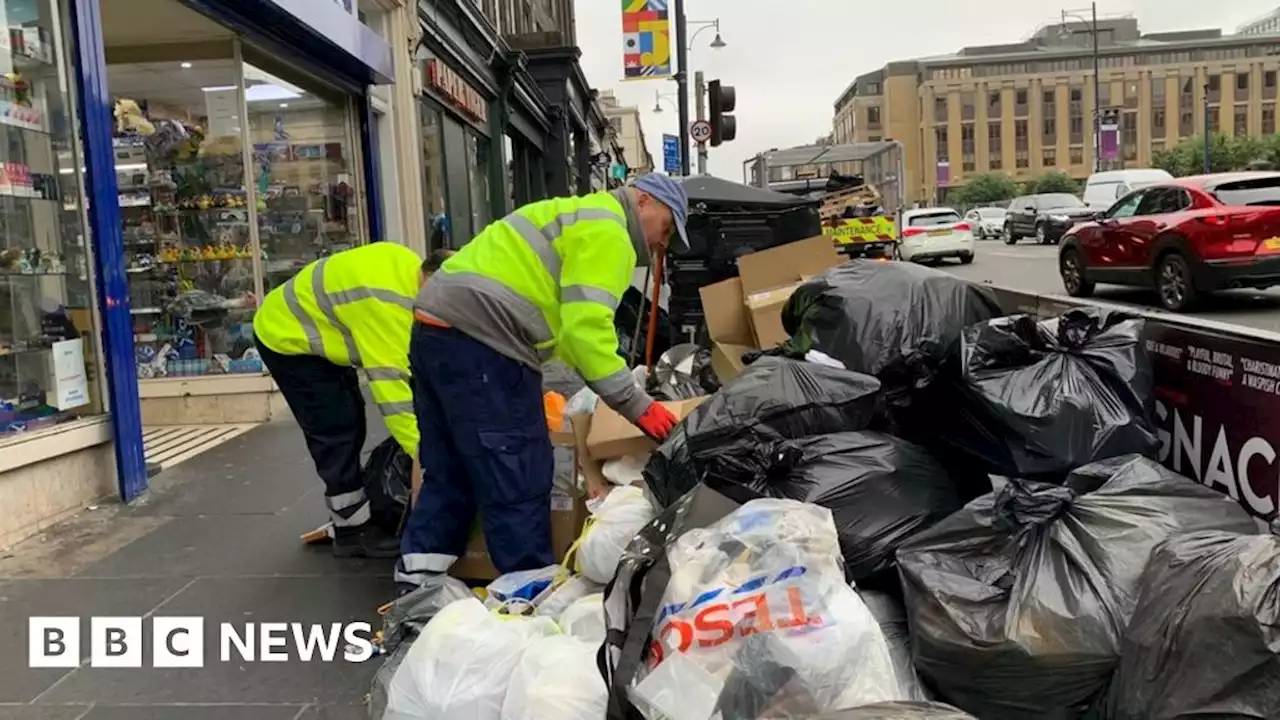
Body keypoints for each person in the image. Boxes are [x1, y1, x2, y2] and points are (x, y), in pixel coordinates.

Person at [397, 173, 690, 591]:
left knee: (450, 466)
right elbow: (584, 330)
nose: (663, 244)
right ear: (644, 200)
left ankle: (416, 591)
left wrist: (610, 384)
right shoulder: (610, 233)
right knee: (518, 466)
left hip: (436, 330)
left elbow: (571, 334)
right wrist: (635, 404)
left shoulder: (578, 214)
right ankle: (526, 597)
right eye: (666, 228)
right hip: (486, 340)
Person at [254, 244, 453, 559]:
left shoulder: (406, 267)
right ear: (431, 282)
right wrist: (427, 457)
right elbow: (395, 400)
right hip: (286, 339)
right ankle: (350, 530)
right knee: (336, 429)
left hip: (312, 327)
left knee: (349, 415)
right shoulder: (387, 305)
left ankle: (356, 512)